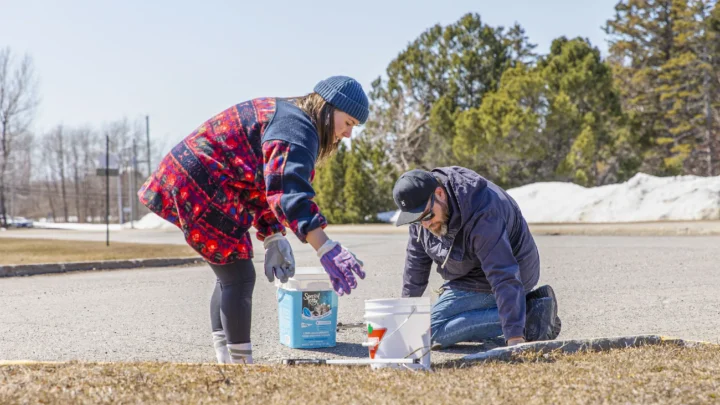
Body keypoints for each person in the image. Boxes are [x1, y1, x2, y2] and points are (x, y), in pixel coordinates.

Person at [137, 76, 368, 364]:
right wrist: (325, 247)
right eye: (347, 123)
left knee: (230, 274)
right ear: (327, 108)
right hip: (202, 182)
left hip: (197, 176)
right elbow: (289, 193)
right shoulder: (297, 128)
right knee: (239, 277)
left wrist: (273, 236)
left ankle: (227, 356)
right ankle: (240, 365)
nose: (347, 134)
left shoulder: (289, 116)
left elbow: (264, 185)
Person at [392, 166, 561, 348]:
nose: (425, 224)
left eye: (428, 216)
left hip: (512, 274)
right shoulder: (422, 210)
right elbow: (416, 261)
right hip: (467, 276)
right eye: (417, 220)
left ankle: (530, 316)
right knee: (418, 329)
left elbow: (502, 272)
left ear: (439, 193)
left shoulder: (483, 213)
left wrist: (514, 335)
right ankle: (514, 312)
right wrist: (406, 314)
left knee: (429, 332)